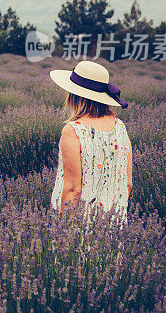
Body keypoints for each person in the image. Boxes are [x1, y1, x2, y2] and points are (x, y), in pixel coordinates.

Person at [48, 60, 132, 220]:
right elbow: (128, 184)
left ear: (74, 95)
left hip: (80, 226)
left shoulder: (73, 130)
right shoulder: (120, 127)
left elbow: (73, 189)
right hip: (114, 223)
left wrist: (65, 232)